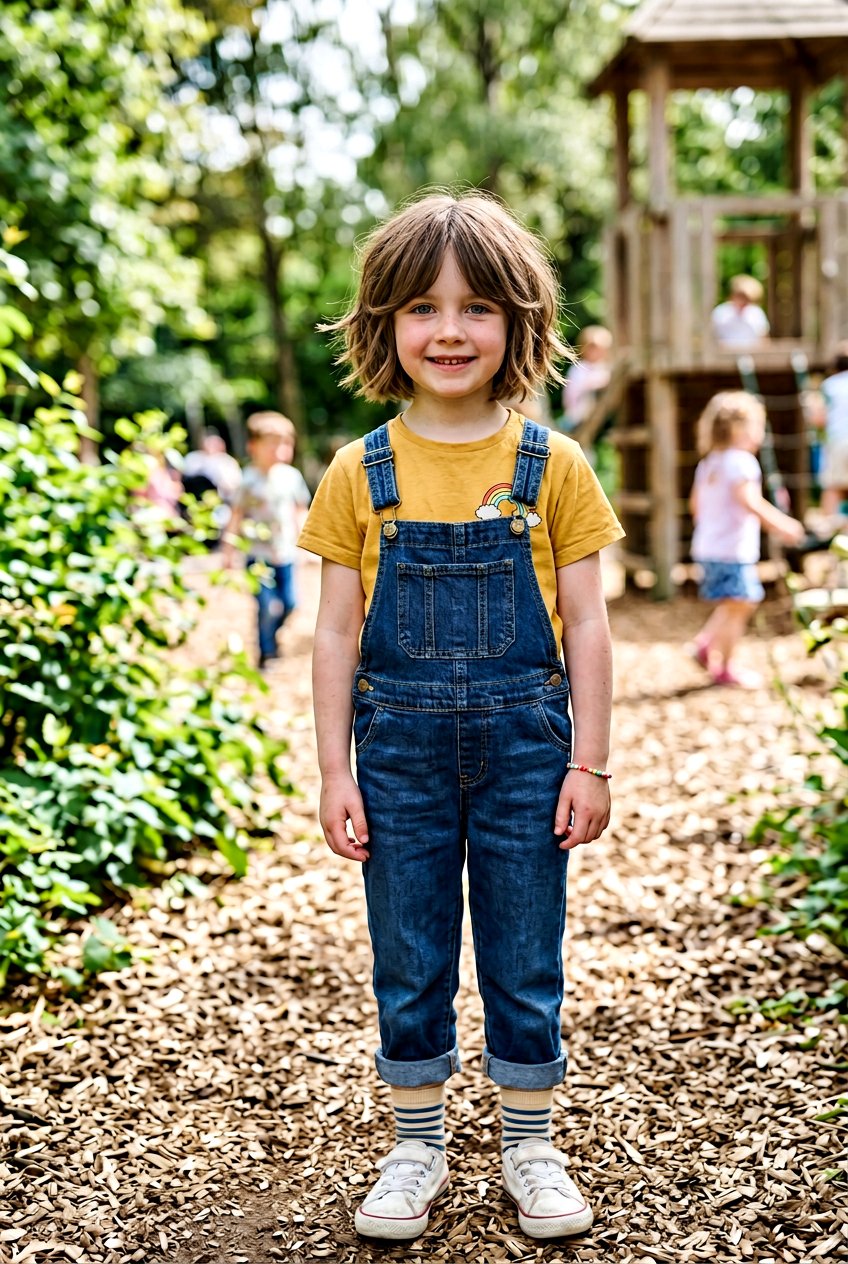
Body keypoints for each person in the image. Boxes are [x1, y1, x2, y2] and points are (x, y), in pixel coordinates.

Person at [299, 192, 625, 1243]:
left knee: (524, 945)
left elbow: (585, 625)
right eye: (423, 307)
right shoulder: (361, 470)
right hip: (393, 752)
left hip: (528, 748)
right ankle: (417, 1140)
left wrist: (593, 761)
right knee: (410, 945)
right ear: (383, 323)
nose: (449, 330)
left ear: (518, 323)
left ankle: (530, 1141)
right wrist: (333, 769)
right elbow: (336, 635)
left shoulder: (552, 465)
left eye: (478, 307)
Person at [689, 391, 805, 688]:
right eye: (757, 426)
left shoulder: (710, 462)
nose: (761, 435)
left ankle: (704, 645)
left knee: (735, 603)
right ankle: (724, 667)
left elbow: (695, 506)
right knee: (740, 604)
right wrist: (783, 525)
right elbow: (750, 502)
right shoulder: (742, 462)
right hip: (732, 551)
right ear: (739, 429)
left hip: (708, 547)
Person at [225, 412, 311, 669]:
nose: (280, 450)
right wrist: (228, 550)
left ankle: (272, 636)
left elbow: (299, 511)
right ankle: (266, 652)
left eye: (285, 443)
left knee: (289, 603)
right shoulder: (247, 480)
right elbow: (236, 516)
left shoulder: (291, 477)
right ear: (253, 447)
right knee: (265, 604)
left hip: (284, 553)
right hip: (257, 556)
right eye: (272, 443)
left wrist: (307, 546)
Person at [561, 325, 613, 431]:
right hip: (577, 413)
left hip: (596, 412)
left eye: (601, 349)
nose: (597, 353)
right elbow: (577, 389)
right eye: (593, 349)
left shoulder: (603, 367)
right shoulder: (579, 368)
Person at [819, 342, 848, 519]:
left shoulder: (829, 385)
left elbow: (820, 417)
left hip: (839, 439)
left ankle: (828, 528)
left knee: (833, 486)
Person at [710, 275, 770, 348]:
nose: (744, 301)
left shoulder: (756, 312)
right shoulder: (720, 312)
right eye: (741, 297)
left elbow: (763, 338)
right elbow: (711, 336)